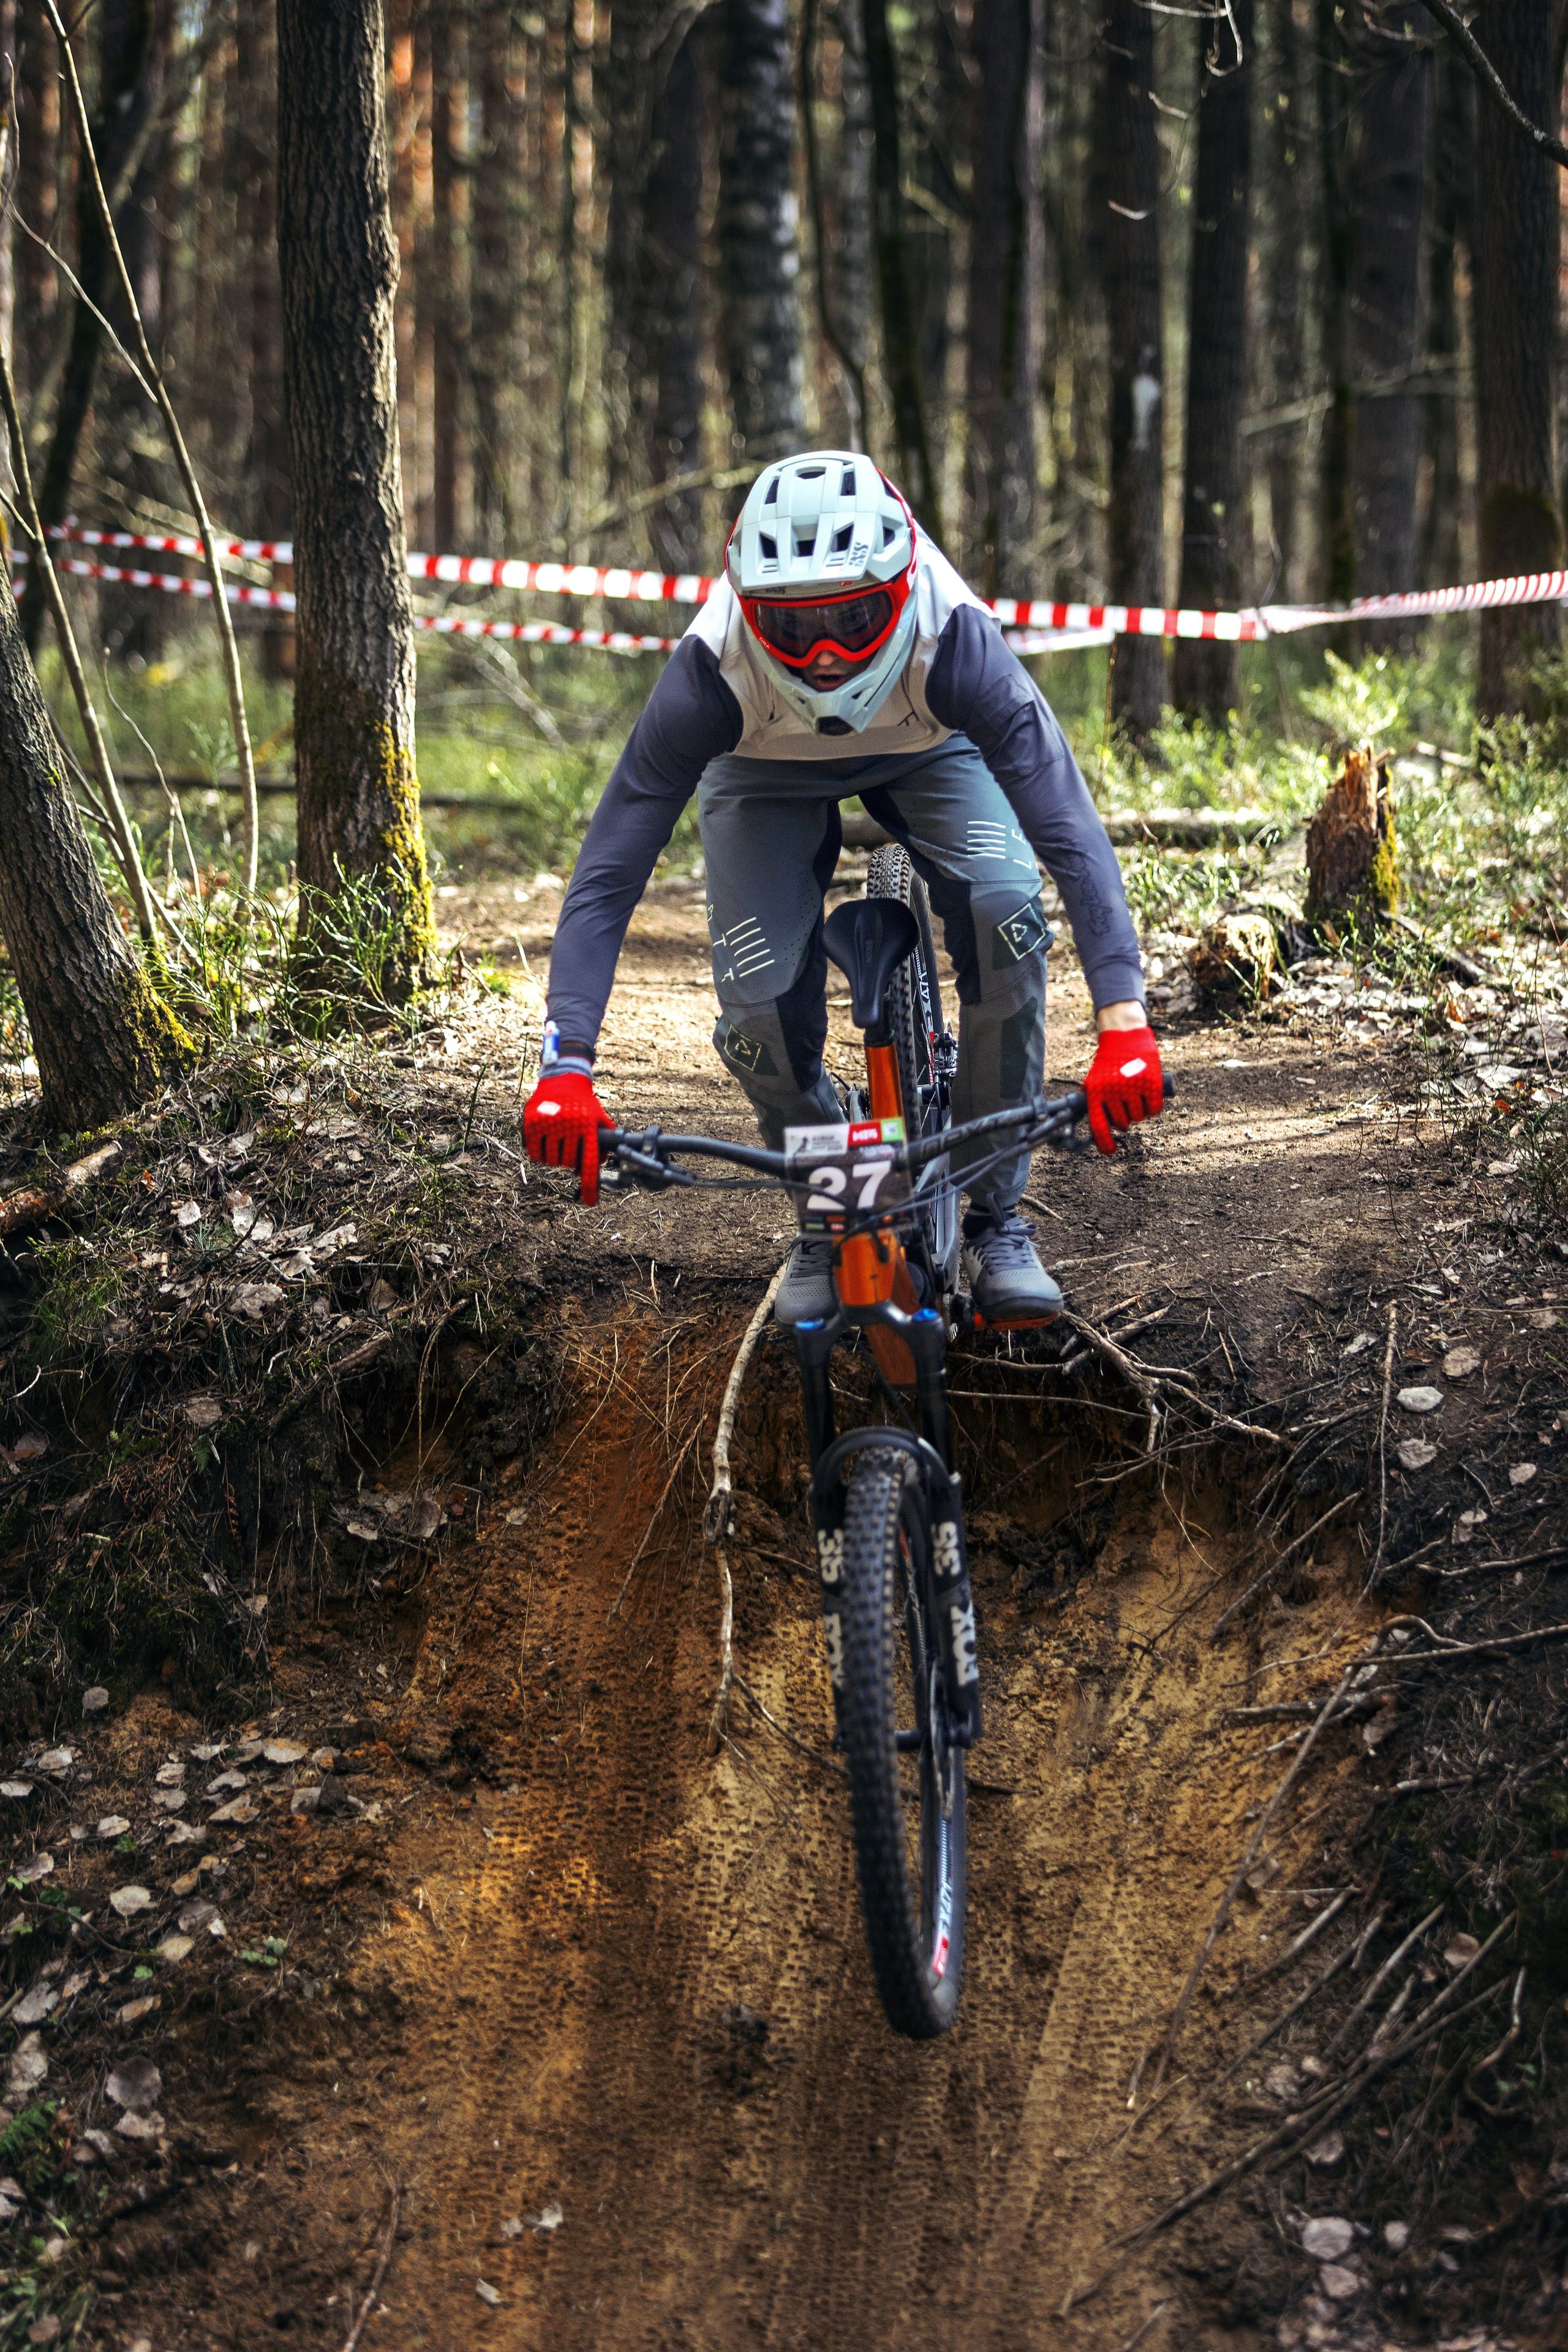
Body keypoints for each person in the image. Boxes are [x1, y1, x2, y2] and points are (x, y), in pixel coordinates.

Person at [522, 451, 1163, 1325]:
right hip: (761, 771)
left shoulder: (955, 640)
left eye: (854, 618)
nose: (824, 656)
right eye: (792, 629)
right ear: (748, 611)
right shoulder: (713, 673)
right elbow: (608, 873)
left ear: (900, 592)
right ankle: (832, 1209)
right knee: (757, 1012)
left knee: (1004, 914)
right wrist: (567, 1062)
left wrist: (1123, 1017)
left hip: (932, 746)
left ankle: (997, 1219)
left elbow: (1067, 825)